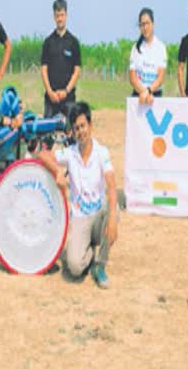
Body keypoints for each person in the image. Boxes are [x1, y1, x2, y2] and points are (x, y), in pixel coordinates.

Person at [38, 102, 118, 289]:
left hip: (98, 216)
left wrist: (113, 218)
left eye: (83, 126)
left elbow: (112, 186)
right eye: (76, 128)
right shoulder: (70, 153)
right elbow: (42, 155)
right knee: (74, 268)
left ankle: (100, 265)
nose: (81, 131)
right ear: (72, 132)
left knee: (112, 208)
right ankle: (88, 252)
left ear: (90, 126)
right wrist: (58, 171)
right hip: (80, 219)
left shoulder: (101, 152)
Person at [0, 48, 66, 161]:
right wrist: (13, 122)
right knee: (25, 125)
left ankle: (48, 128)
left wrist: (16, 114)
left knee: (10, 98)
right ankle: (58, 124)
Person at [41, 0, 81, 117]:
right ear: (54, 16)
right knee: (47, 134)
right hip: (50, 99)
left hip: (68, 99)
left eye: (62, 15)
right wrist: (50, 92)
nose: (60, 19)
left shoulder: (73, 42)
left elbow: (77, 70)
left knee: (70, 133)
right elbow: (43, 69)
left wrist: (66, 91)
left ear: (66, 15)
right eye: (57, 15)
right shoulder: (48, 42)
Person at [129, 7, 167, 104]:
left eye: (147, 23)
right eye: (142, 24)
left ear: (153, 24)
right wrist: (144, 93)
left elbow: (160, 78)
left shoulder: (161, 47)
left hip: (155, 96)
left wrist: (149, 91)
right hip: (139, 96)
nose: (145, 27)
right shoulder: (135, 48)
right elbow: (133, 78)